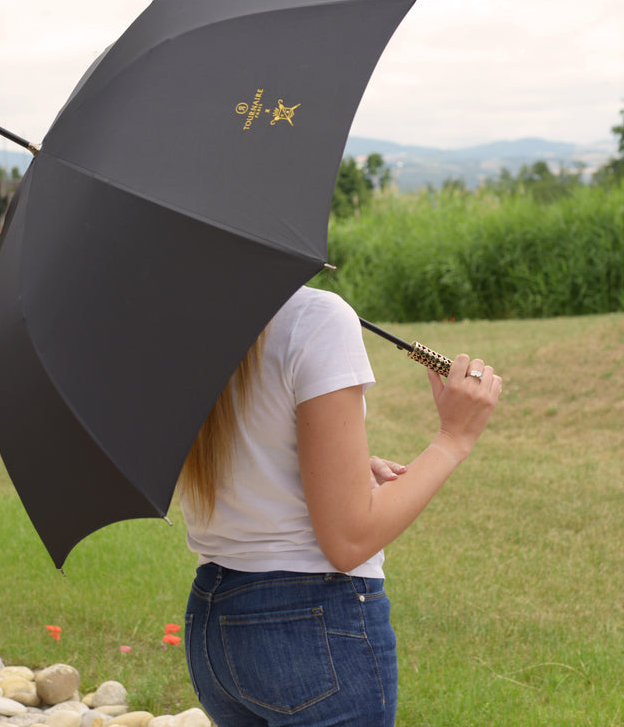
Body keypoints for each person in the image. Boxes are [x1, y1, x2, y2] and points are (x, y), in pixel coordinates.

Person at [178, 285, 502, 727]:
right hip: (312, 626)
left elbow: (252, 451)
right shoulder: (317, 317)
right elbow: (350, 538)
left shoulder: (193, 319)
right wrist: (454, 438)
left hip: (214, 626)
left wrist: (338, 468)